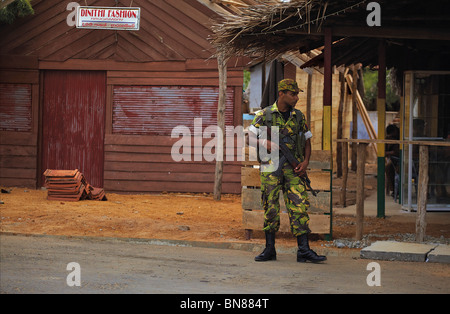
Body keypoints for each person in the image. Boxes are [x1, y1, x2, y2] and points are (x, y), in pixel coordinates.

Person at [248, 79, 326, 263]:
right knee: (271, 207)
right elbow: (248, 137)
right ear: (281, 93)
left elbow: (307, 141)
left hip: (294, 169)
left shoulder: (299, 117)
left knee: (299, 207)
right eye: (293, 94)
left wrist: (306, 162)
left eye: (297, 94)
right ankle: (269, 249)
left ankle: (304, 250)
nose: (297, 98)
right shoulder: (264, 114)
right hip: (270, 169)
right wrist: (263, 142)